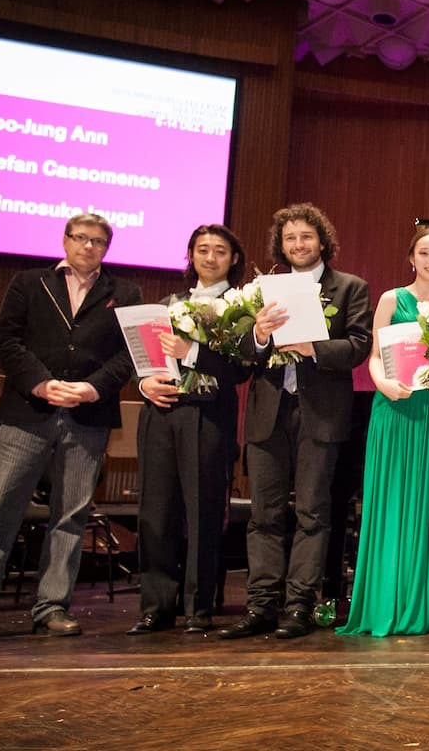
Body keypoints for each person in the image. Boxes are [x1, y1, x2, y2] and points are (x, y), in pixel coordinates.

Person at [0, 214, 141, 646]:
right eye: (81, 238)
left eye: (98, 241)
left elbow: (130, 354)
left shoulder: (124, 293)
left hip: (87, 417)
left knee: (71, 518)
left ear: (106, 248)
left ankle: (52, 608)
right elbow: (6, 341)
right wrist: (42, 382)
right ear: (65, 240)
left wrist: (93, 388)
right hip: (27, 413)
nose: (88, 247)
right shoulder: (29, 282)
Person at [215, 204, 371, 641]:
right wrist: (260, 334)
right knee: (263, 516)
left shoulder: (349, 287)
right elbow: (244, 355)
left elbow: (358, 346)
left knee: (312, 513)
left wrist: (313, 347)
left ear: (322, 240)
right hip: (268, 413)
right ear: (280, 245)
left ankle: (299, 604)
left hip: (320, 414)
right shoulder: (262, 289)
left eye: (306, 236)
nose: (298, 244)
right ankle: (261, 605)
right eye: (290, 238)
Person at [339, 226, 429, 636]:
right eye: (425, 253)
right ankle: (383, 601)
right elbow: (375, 356)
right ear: (411, 258)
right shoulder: (390, 299)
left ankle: (420, 603)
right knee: (392, 502)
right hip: (396, 407)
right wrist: (382, 384)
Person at [128, 225, 250, 635]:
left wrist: (192, 351)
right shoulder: (168, 303)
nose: (210, 257)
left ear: (234, 259)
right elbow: (141, 358)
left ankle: (198, 608)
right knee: (156, 512)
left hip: (209, 416)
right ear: (190, 255)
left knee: (203, 512)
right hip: (160, 412)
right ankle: (156, 606)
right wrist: (144, 383)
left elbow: (241, 367)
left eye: (219, 251)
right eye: (202, 249)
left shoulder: (241, 307)